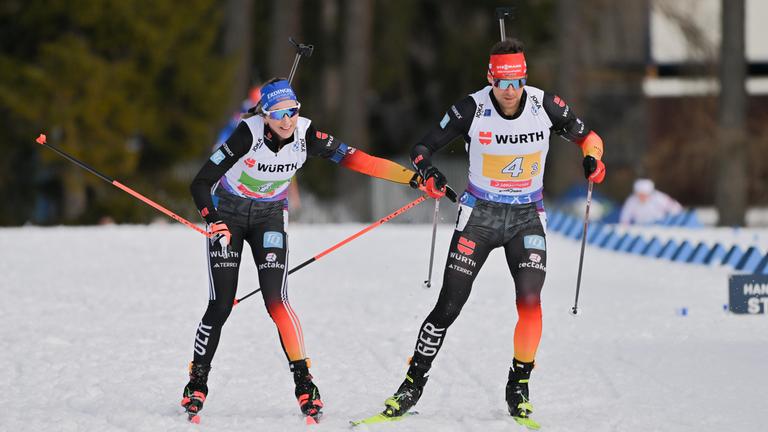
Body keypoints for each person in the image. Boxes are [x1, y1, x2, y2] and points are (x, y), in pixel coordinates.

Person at [377, 38, 606, 426]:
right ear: (490, 80)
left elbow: (589, 137)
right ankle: (411, 385)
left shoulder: (545, 104)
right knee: (449, 305)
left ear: (525, 79)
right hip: (479, 215)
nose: (510, 92)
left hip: (526, 216)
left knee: (531, 302)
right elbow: (421, 148)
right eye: (502, 83)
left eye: (516, 82)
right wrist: (428, 173)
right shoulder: (471, 108)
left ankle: (518, 387)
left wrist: (592, 159)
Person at [181, 78, 419, 423]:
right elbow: (200, 183)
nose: (286, 120)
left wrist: (411, 178)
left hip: (269, 218)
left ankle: (305, 383)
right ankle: (197, 381)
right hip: (228, 215)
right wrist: (213, 219)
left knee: (277, 301)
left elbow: (359, 160)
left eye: (292, 111)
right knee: (220, 304)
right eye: (278, 113)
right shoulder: (246, 134)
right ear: (264, 115)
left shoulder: (307, 135)